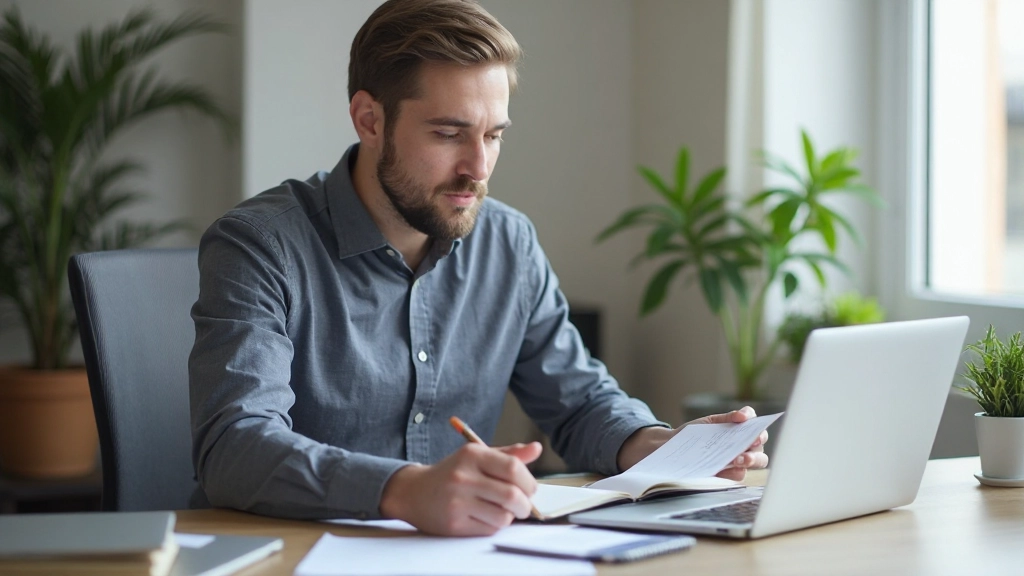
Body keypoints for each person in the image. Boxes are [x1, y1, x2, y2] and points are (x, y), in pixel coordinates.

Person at [188, 0, 768, 537]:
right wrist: (404, 490)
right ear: (369, 119)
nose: (478, 167)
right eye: (449, 134)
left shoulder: (508, 242)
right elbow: (234, 447)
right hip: (295, 554)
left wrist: (661, 447)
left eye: (493, 136)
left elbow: (579, 401)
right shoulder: (260, 246)